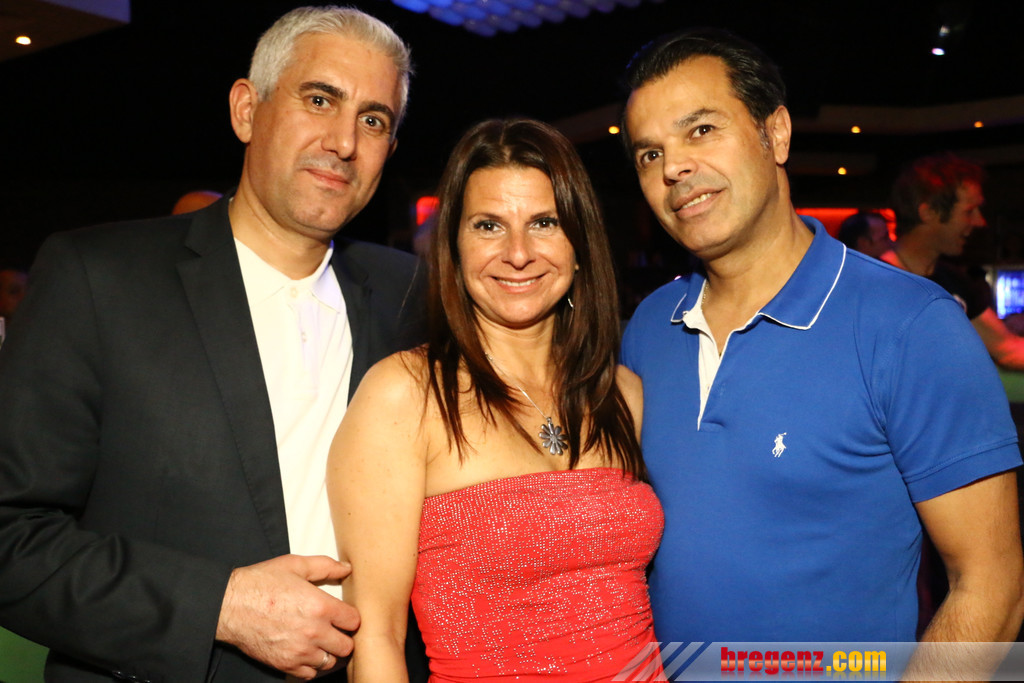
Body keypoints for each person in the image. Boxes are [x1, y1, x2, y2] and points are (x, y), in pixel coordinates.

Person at [0, 7, 425, 682]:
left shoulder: (411, 293)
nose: (344, 141)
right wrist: (218, 607)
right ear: (246, 110)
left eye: (373, 120)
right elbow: (10, 537)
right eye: (320, 100)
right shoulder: (98, 278)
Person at [619, 26, 1024, 670]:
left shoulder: (912, 325)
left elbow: (991, 586)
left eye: (701, 129)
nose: (673, 168)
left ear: (776, 133)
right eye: (649, 153)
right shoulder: (648, 327)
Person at [328, 118, 664, 682]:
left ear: (579, 244)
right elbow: (376, 637)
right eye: (488, 226)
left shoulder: (622, 393)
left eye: (544, 223)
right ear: (454, 248)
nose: (518, 253)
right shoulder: (405, 396)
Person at [884, 152, 1024, 371]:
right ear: (929, 213)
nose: (980, 221)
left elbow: (1006, 348)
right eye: (969, 211)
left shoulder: (955, 281)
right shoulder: (872, 282)